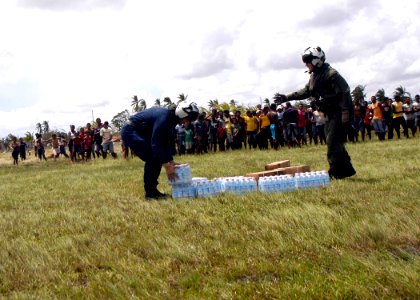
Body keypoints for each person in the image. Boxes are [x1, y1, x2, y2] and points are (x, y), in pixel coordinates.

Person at [274, 46, 356, 179]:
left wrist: (345, 115)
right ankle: (346, 170)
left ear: (317, 60)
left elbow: (345, 93)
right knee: (335, 143)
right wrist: (286, 97)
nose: (306, 64)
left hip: (339, 113)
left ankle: (335, 172)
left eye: (308, 61)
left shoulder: (331, 74)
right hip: (330, 114)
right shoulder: (315, 76)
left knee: (332, 142)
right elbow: (306, 91)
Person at [121, 101, 199, 200]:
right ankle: (151, 193)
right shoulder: (165, 118)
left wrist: (170, 161)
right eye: (187, 119)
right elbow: (156, 144)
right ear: (181, 113)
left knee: (157, 157)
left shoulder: (171, 119)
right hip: (131, 131)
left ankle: (152, 191)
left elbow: (164, 142)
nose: (187, 122)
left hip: (141, 131)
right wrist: (166, 165)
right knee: (153, 157)